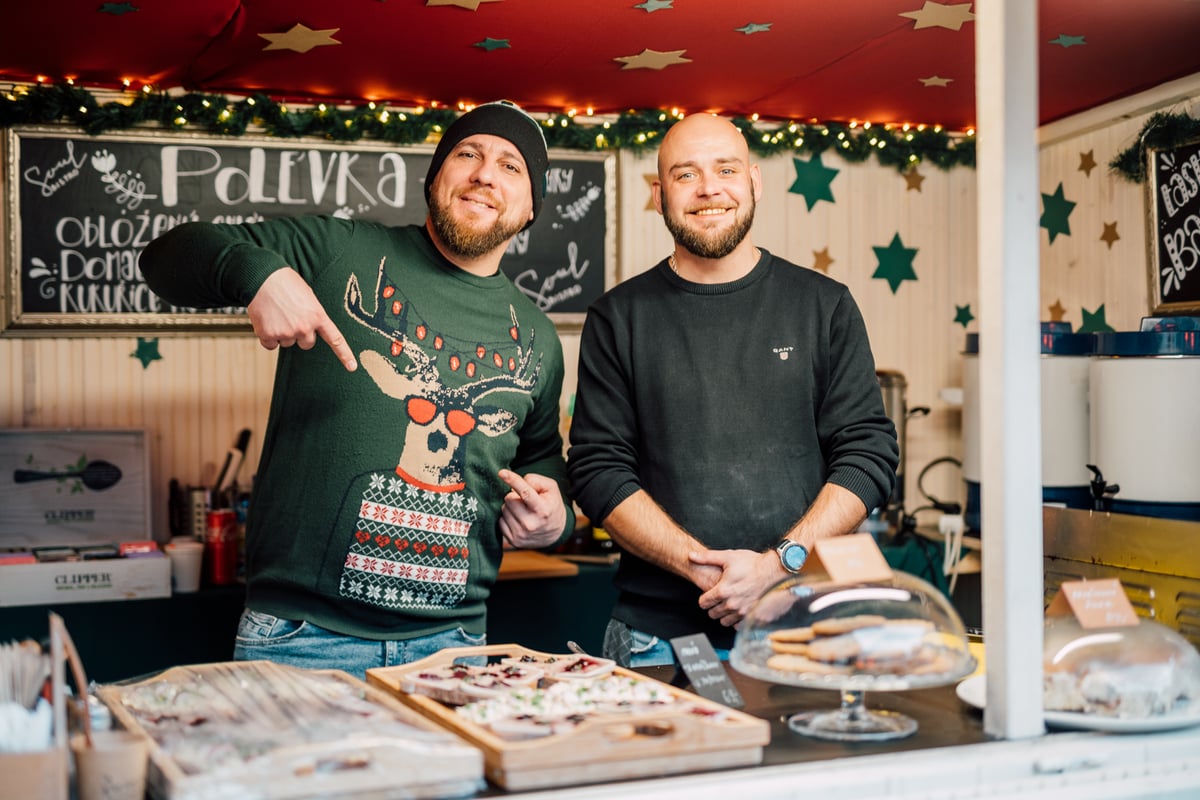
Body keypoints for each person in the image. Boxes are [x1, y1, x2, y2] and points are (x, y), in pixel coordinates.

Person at [140, 101, 574, 678]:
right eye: (467, 153)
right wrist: (258, 275)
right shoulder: (336, 251)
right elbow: (163, 258)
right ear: (435, 176)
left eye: (511, 165)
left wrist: (555, 516)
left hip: (456, 648)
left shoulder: (537, 338)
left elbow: (542, 458)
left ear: (529, 210)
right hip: (300, 641)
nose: (485, 174)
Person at [567, 113, 898, 668]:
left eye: (725, 169)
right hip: (657, 639)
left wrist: (777, 565)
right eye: (685, 174)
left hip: (805, 628)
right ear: (658, 194)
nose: (708, 189)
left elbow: (868, 456)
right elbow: (598, 470)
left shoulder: (824, 305)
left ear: (754, 181)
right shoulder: (617, 318)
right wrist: (707, 573)